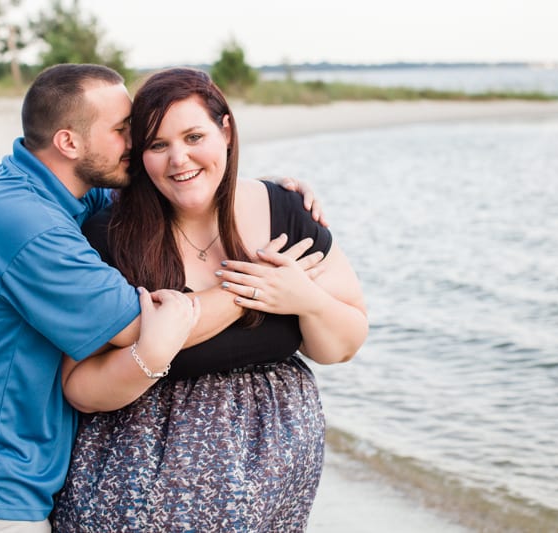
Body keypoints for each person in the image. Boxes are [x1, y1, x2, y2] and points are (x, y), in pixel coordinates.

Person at [0, 63, 326, 532]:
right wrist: (263, 284)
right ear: (69, 143)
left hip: (20, 462)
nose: (135, 144)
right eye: (124, 131)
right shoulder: (27, 223)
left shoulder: (66, 191)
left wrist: (264, 194)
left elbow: (165, 196)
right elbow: (146, 325)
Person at [51, 67, 368, 532]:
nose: (179, 159)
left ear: (225, 131)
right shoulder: (111, 235)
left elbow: (340, 345)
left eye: (194, 136)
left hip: (275, 487)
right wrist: (152, 352)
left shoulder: (286, 210)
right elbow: (79, 386)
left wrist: (307, 300)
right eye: (158, 145)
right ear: (140, 155)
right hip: (143, 488)